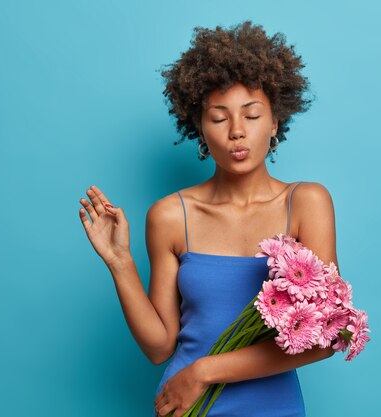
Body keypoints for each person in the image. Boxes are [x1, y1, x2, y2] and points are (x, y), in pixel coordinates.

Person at [78, 21, 339, 417]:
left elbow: (322, 337)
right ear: (199, 127)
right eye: (218, 118)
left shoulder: (306, 202)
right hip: (186, 407)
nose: (237, 132)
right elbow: (159, 346)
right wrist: (120, 262)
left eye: (251, 116)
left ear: (275, 123)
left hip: (269, 406)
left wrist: (204, 371)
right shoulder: (169, 216)